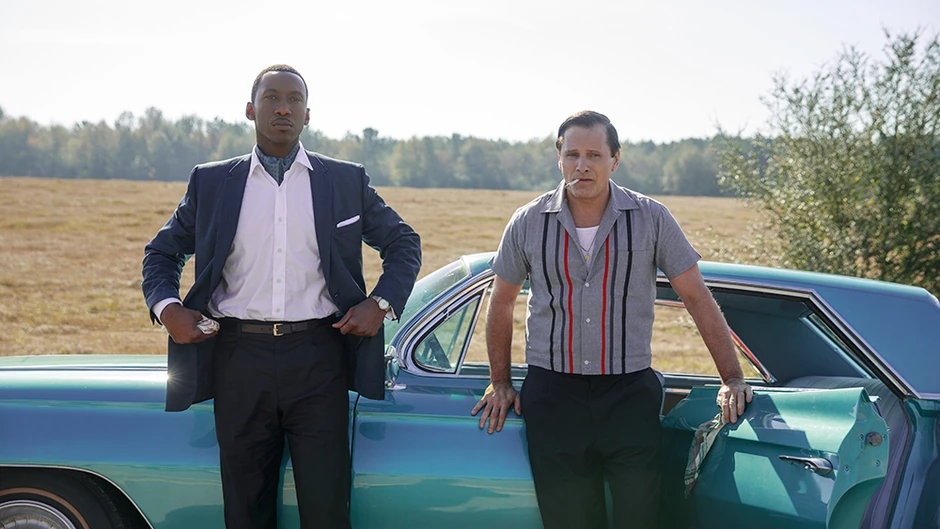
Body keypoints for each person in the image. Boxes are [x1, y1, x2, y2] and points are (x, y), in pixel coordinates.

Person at [141, 64, 421, 529]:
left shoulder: (344, 180)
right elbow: (161, 253)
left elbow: (403, 242)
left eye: (294, 100)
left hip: (319, 358)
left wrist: (380, 303)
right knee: (245, 509)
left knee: (325, 507)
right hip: (238, 359)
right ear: (251, 110)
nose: (283, 108)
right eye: (272, 97)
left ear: (308, 115)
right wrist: (169, 309)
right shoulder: (212, 182)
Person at [471, 111, 752, 529]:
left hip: (629, 396)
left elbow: (696, 297)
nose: (582, 165)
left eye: (594, 155)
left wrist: (731, 377)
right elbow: (501, 301)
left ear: (614, 159)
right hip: (552, 396)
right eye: (572, 155)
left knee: (640, 517)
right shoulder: (527, 221)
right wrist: (500, 382)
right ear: (559, 158)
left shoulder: (652, 217)